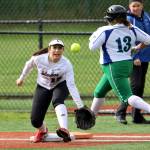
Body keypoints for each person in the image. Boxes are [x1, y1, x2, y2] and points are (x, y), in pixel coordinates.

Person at [89, 5, 150, 124]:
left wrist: (94, 35)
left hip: (113, 66)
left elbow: (92, 47)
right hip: (127, 65)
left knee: (127, 97)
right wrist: (137, 48)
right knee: (99, 92)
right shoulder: (131, 28)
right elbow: (148, 40)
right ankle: (91, 118)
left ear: (112, 19)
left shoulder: (105, 30)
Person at [16, 39, 84, 143]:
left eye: (60, 48)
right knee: (35, 120)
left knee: (57, 100)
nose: (57, 50)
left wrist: (80, 105)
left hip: (61, 84)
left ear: (63, 50)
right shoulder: (39, 59)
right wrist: (21, 78)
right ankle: (43, 131)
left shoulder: (66, 64)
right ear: (49, 49)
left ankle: (64, 129)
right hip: (43, 86)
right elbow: (28, 65)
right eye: (54, 47)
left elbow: (71, 84)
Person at [115, 0, 150, 124]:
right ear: (129, 7)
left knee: (140, 86)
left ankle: (137, 116)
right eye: (133, 6)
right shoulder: (128, 19)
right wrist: (135, 57)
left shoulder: (146, 16)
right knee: (134, 87)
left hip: (145, 57)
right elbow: (129, 40)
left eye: (138, 5)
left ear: (142, 6)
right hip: (134, 58)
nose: (136, 8)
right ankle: (120, 112)